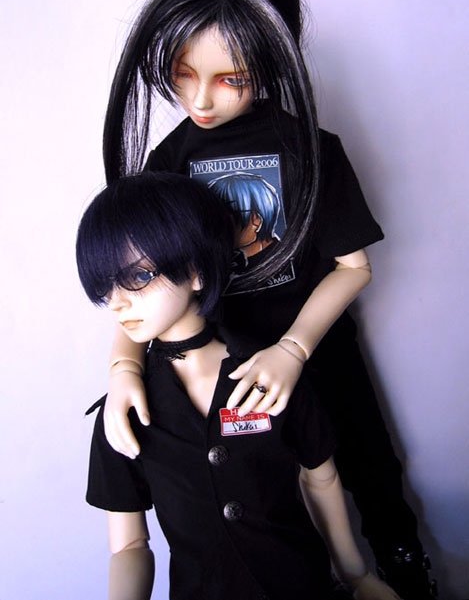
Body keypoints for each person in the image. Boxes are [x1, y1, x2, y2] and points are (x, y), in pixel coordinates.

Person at [98, 0, 437, 597]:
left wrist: (295, 348)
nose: (200, 98)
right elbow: (141, 275)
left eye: (229, 78)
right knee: (249, 496)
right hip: (222, 363)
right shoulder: (170, 163)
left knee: (368, 463)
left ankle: (403, 569)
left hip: (316, 347)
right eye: (182, 75)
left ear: (270, 65)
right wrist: (124, 365)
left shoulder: (311, 150)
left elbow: (353, 266)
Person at [77, 171, 402, 600]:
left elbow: (321, 480)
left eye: (138, 277)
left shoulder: (269, 375)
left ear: (196, 271)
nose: (117, 302)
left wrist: (355, 575)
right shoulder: (124, 412)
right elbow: (129, 546)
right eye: (105, 286)